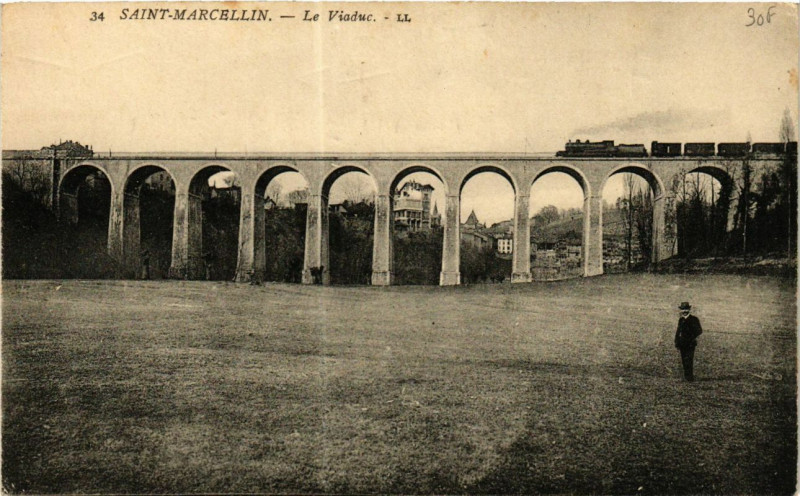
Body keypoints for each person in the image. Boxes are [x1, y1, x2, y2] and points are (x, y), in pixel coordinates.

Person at [675, 301, 702, 382]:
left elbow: (699, 330)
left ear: (689, 310)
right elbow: (678, 331)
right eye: (682, 309)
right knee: (683, 360)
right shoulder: (681, 320)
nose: (684, 311)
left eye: (685, 309)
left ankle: (690, 377)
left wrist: (691, 337)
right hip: (682, 343)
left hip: (690, 344)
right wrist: (676, 341)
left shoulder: (694, 319)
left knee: (689, 360)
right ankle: (686, 376)